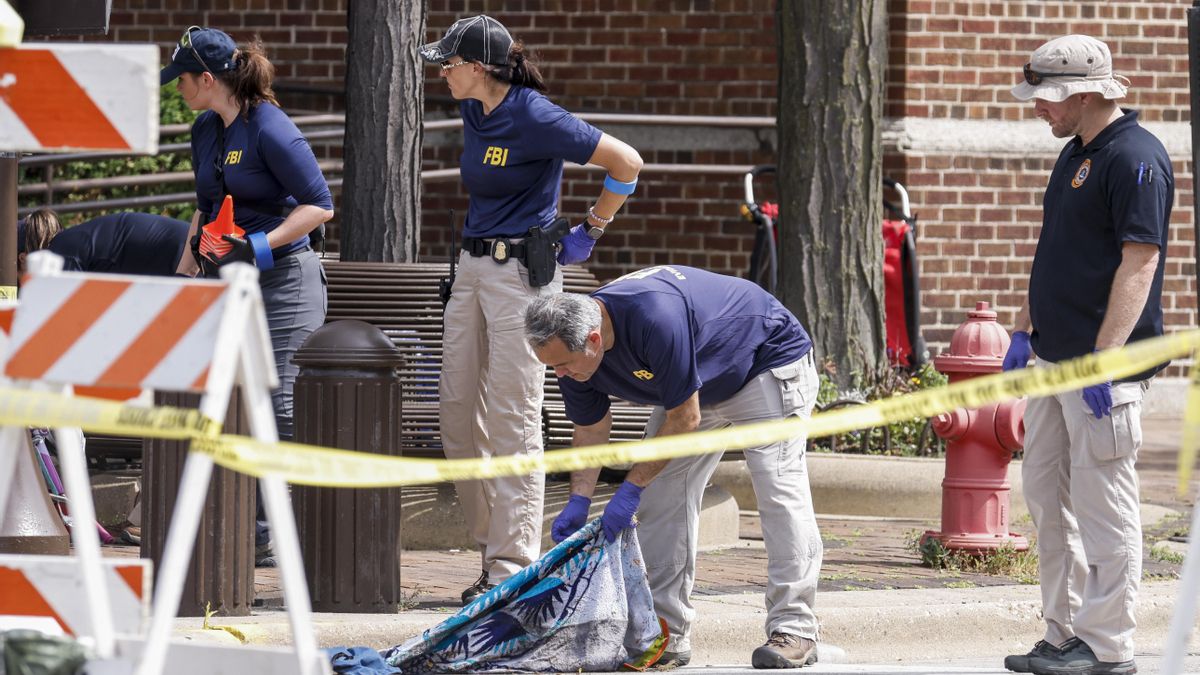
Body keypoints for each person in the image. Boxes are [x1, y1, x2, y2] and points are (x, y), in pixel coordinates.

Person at [420, 14, 643, 604]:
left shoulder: (536, 115)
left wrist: (590, 230)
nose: (441, 72)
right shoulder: (473, 108)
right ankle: (493, 548)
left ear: (479, 67)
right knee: (457, 416)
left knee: (513, 419)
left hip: (523, 276)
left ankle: (509, 570)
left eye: (449, 63)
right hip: (469, 269)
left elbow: (627, 163)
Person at [525, 265, 822, 670]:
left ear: (594, 340)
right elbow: (591, 427)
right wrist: (579, 500)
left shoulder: (654, 317)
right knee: (662, 497)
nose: (560, 375)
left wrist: (628, 490)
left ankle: (795, 629)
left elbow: (685, 418)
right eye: (551, 366)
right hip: (693, 384)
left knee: (777, 489)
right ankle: (665, 634)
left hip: (761, 361)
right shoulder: (569, 351)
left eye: (563, 365)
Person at [1003, 35, 1171, 675]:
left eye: (1045, 101)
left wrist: (1106, 359)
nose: (1037, 111)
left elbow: (1140, 261)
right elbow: (1055, 252)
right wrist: (1025, 329)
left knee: (1105, 507)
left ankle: (1107, 648)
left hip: (1103, 374)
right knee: (1048, 500)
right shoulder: (1075, 153)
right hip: (1052, 361)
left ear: (1080, 94)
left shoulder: (1136, 159)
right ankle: (1063, 633)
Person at [161, 26, 333, 567]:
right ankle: (249, 525)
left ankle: (286, 526)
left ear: (207, 79)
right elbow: (206, 210)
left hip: (285, 278)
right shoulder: (204, 130)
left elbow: (319, 204)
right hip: (228, 282)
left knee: (279, 403)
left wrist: (258, 243)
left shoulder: (270, 128)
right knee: (226, 397)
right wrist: (185, 278)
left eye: (182, 80)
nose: (177, 89)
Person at [18, 208, 189, 276]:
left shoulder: (60, 253)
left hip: (183, 254)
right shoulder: (70, 242)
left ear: (24, 258)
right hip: (187, 242)